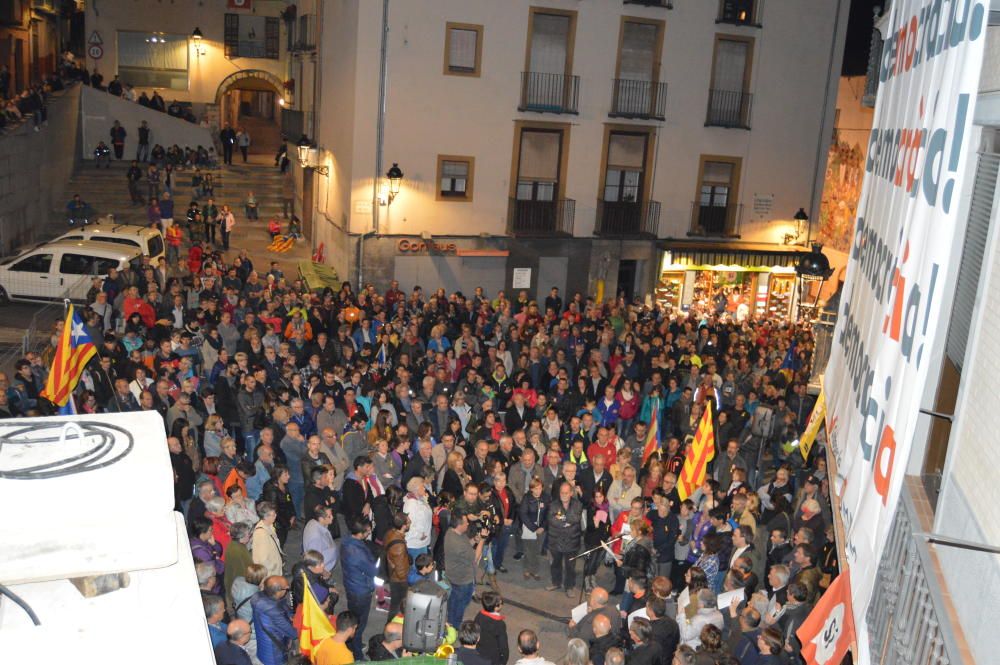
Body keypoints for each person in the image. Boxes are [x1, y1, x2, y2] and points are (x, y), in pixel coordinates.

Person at [340, 520, 377, 660]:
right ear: (360, 533)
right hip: (360, 590)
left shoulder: (348, 541)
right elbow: (372, 570)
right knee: (358, 624)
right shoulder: (356, 552)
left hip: (352, 585)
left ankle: (352, 644)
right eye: (367, 531)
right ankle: (357, 655)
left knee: (353, 617)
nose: (369, 533)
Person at [444, 509, 485, 629]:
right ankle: (454, 626)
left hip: (453, 576)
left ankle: (451, 620)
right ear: (459, 525)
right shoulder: (457, 544)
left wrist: (474, 540)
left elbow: (466, 544)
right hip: (462, 580)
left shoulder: (452, 533)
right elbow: (475, 557)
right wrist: (482, 539)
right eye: (466, 522)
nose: (468, 524)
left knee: (453, 601)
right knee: (461, 604)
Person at [546, 481, 583, 595]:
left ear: (571, 493)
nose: (564, 495)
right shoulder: (553, 504)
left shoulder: (577, 504)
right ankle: (556, 583)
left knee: (570, 567)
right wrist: (566, 523)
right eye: (562, 493)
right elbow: (552, 520)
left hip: (572, 542)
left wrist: (562, 519)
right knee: (555, 564)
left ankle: (569, 586)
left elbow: (575, 518)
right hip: (555, 541)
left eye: (566, 493)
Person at [251, 576, 296, 665]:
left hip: (265, 644)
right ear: (278, 591)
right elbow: (293, 633)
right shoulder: (273, 611)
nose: (287, 589)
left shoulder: (261, 595)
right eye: (286, 588)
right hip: (273, 654)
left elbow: (281, 603)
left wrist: (290, 614)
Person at [472, 590, 509, 665]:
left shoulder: (479, 616)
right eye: (501, 603)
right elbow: (503, 646)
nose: (502, 604)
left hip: (478, 652)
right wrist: (504, 660)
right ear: (496, 607)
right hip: (493, 658)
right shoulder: (500, 624)